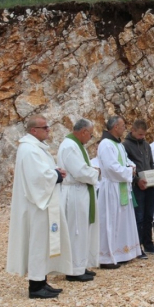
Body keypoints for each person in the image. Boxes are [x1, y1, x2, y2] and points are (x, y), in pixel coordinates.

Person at [7, 114, 72, 299]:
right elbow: (37, 177)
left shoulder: (36, 148)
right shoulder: (28, 149)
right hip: (37, 207)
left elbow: (43, 172)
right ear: (33, 130)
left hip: (43, 204)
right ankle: (35, 286)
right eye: (45, 127)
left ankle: (42, 281)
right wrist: (56, 175)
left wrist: (54, 172)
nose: (48, 130)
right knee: (38, 243)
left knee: (43, 243)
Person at [57, 119, 100, 282]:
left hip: (82, 191)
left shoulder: (77, 145)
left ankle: (81, 265)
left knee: (83, 229)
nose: (90, 137)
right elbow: (79, 171)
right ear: (83, 132)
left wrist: (92, 172)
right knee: (75, 230)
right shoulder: (69, 145)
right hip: (74, 192)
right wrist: (96, 173)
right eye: (90, 133)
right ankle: (74, 269)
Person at [97, 116, 141, 268]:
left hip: (121, 187)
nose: (125, 128)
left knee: (122, 221)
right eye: (123, 125)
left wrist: (132, 167)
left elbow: (126, 161)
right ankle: (107, 258)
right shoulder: (105, 144)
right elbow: (111, 167)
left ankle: (122, 252)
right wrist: (129, 171)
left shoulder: (118, 144)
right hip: (112, 188)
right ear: (115, 127)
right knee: (111, 221)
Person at [123, 119, 154, 256]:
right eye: (140, 135)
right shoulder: (125, 146)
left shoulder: (146, 145)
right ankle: (138, 247)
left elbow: (150, 164)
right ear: (133, 131)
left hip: (149, 186)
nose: (142, 137)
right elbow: (126, 166)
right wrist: (136, 180)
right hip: (136, 186)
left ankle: (148, 244)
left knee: (149, 216)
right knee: (138, 217)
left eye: (144, 135)